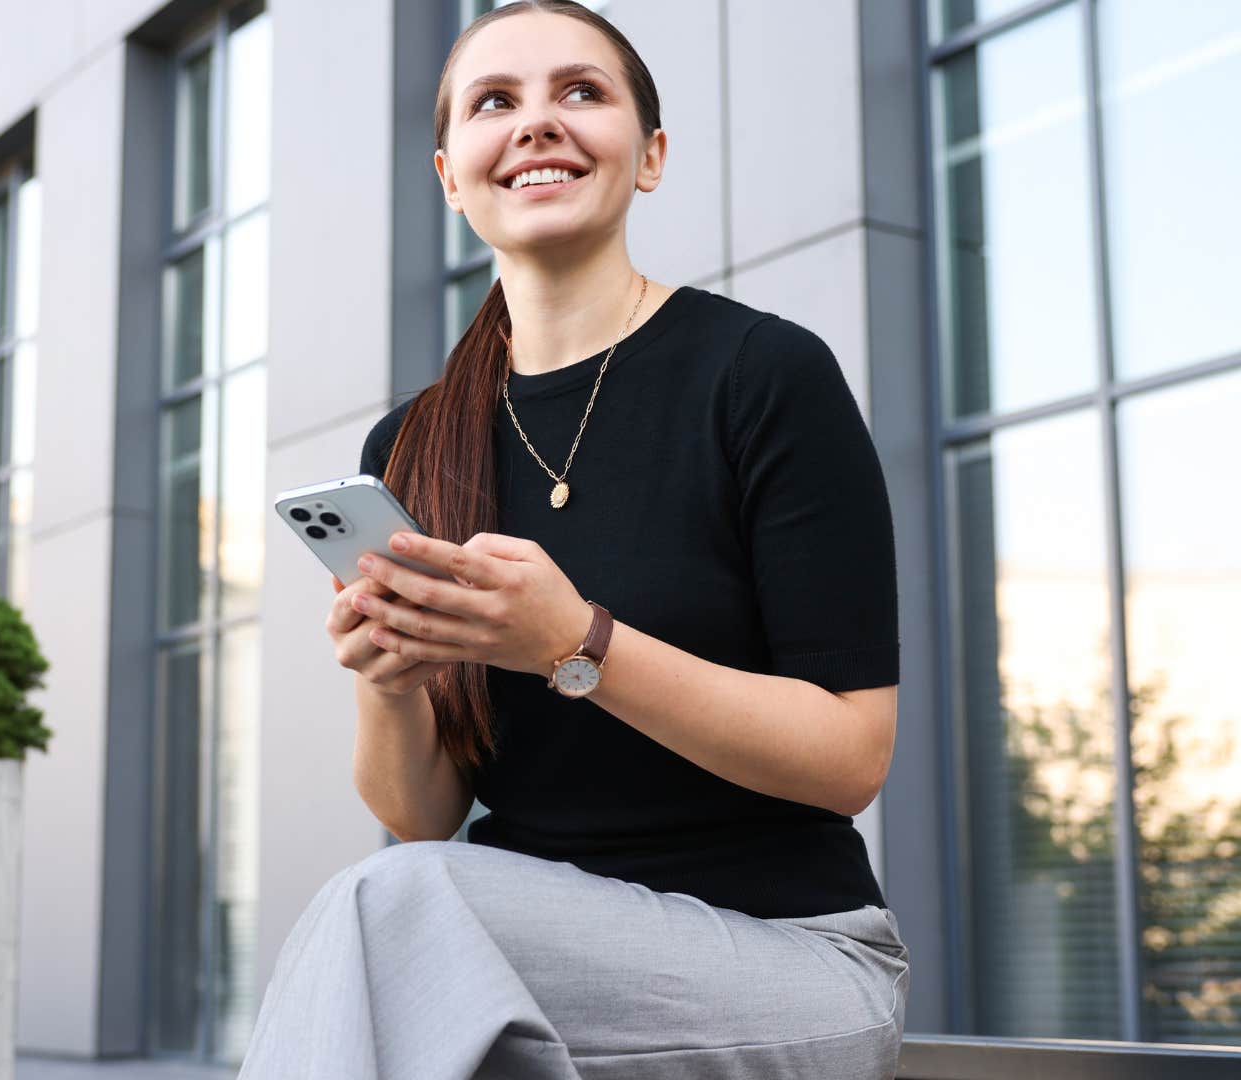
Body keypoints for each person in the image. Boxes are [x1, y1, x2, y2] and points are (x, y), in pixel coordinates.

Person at [237, 2, 908, 1077]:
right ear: (453, 176)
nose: (538, 123)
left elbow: (847, 760)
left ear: (648, 157)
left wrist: (578, 644)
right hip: (524, 953)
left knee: (392, 915)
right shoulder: (412, 441)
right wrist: (391, 679)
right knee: (418, 946)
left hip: (789, 957)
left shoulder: (763, 376)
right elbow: (423, 814)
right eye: (496, 102)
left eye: (581, 93)